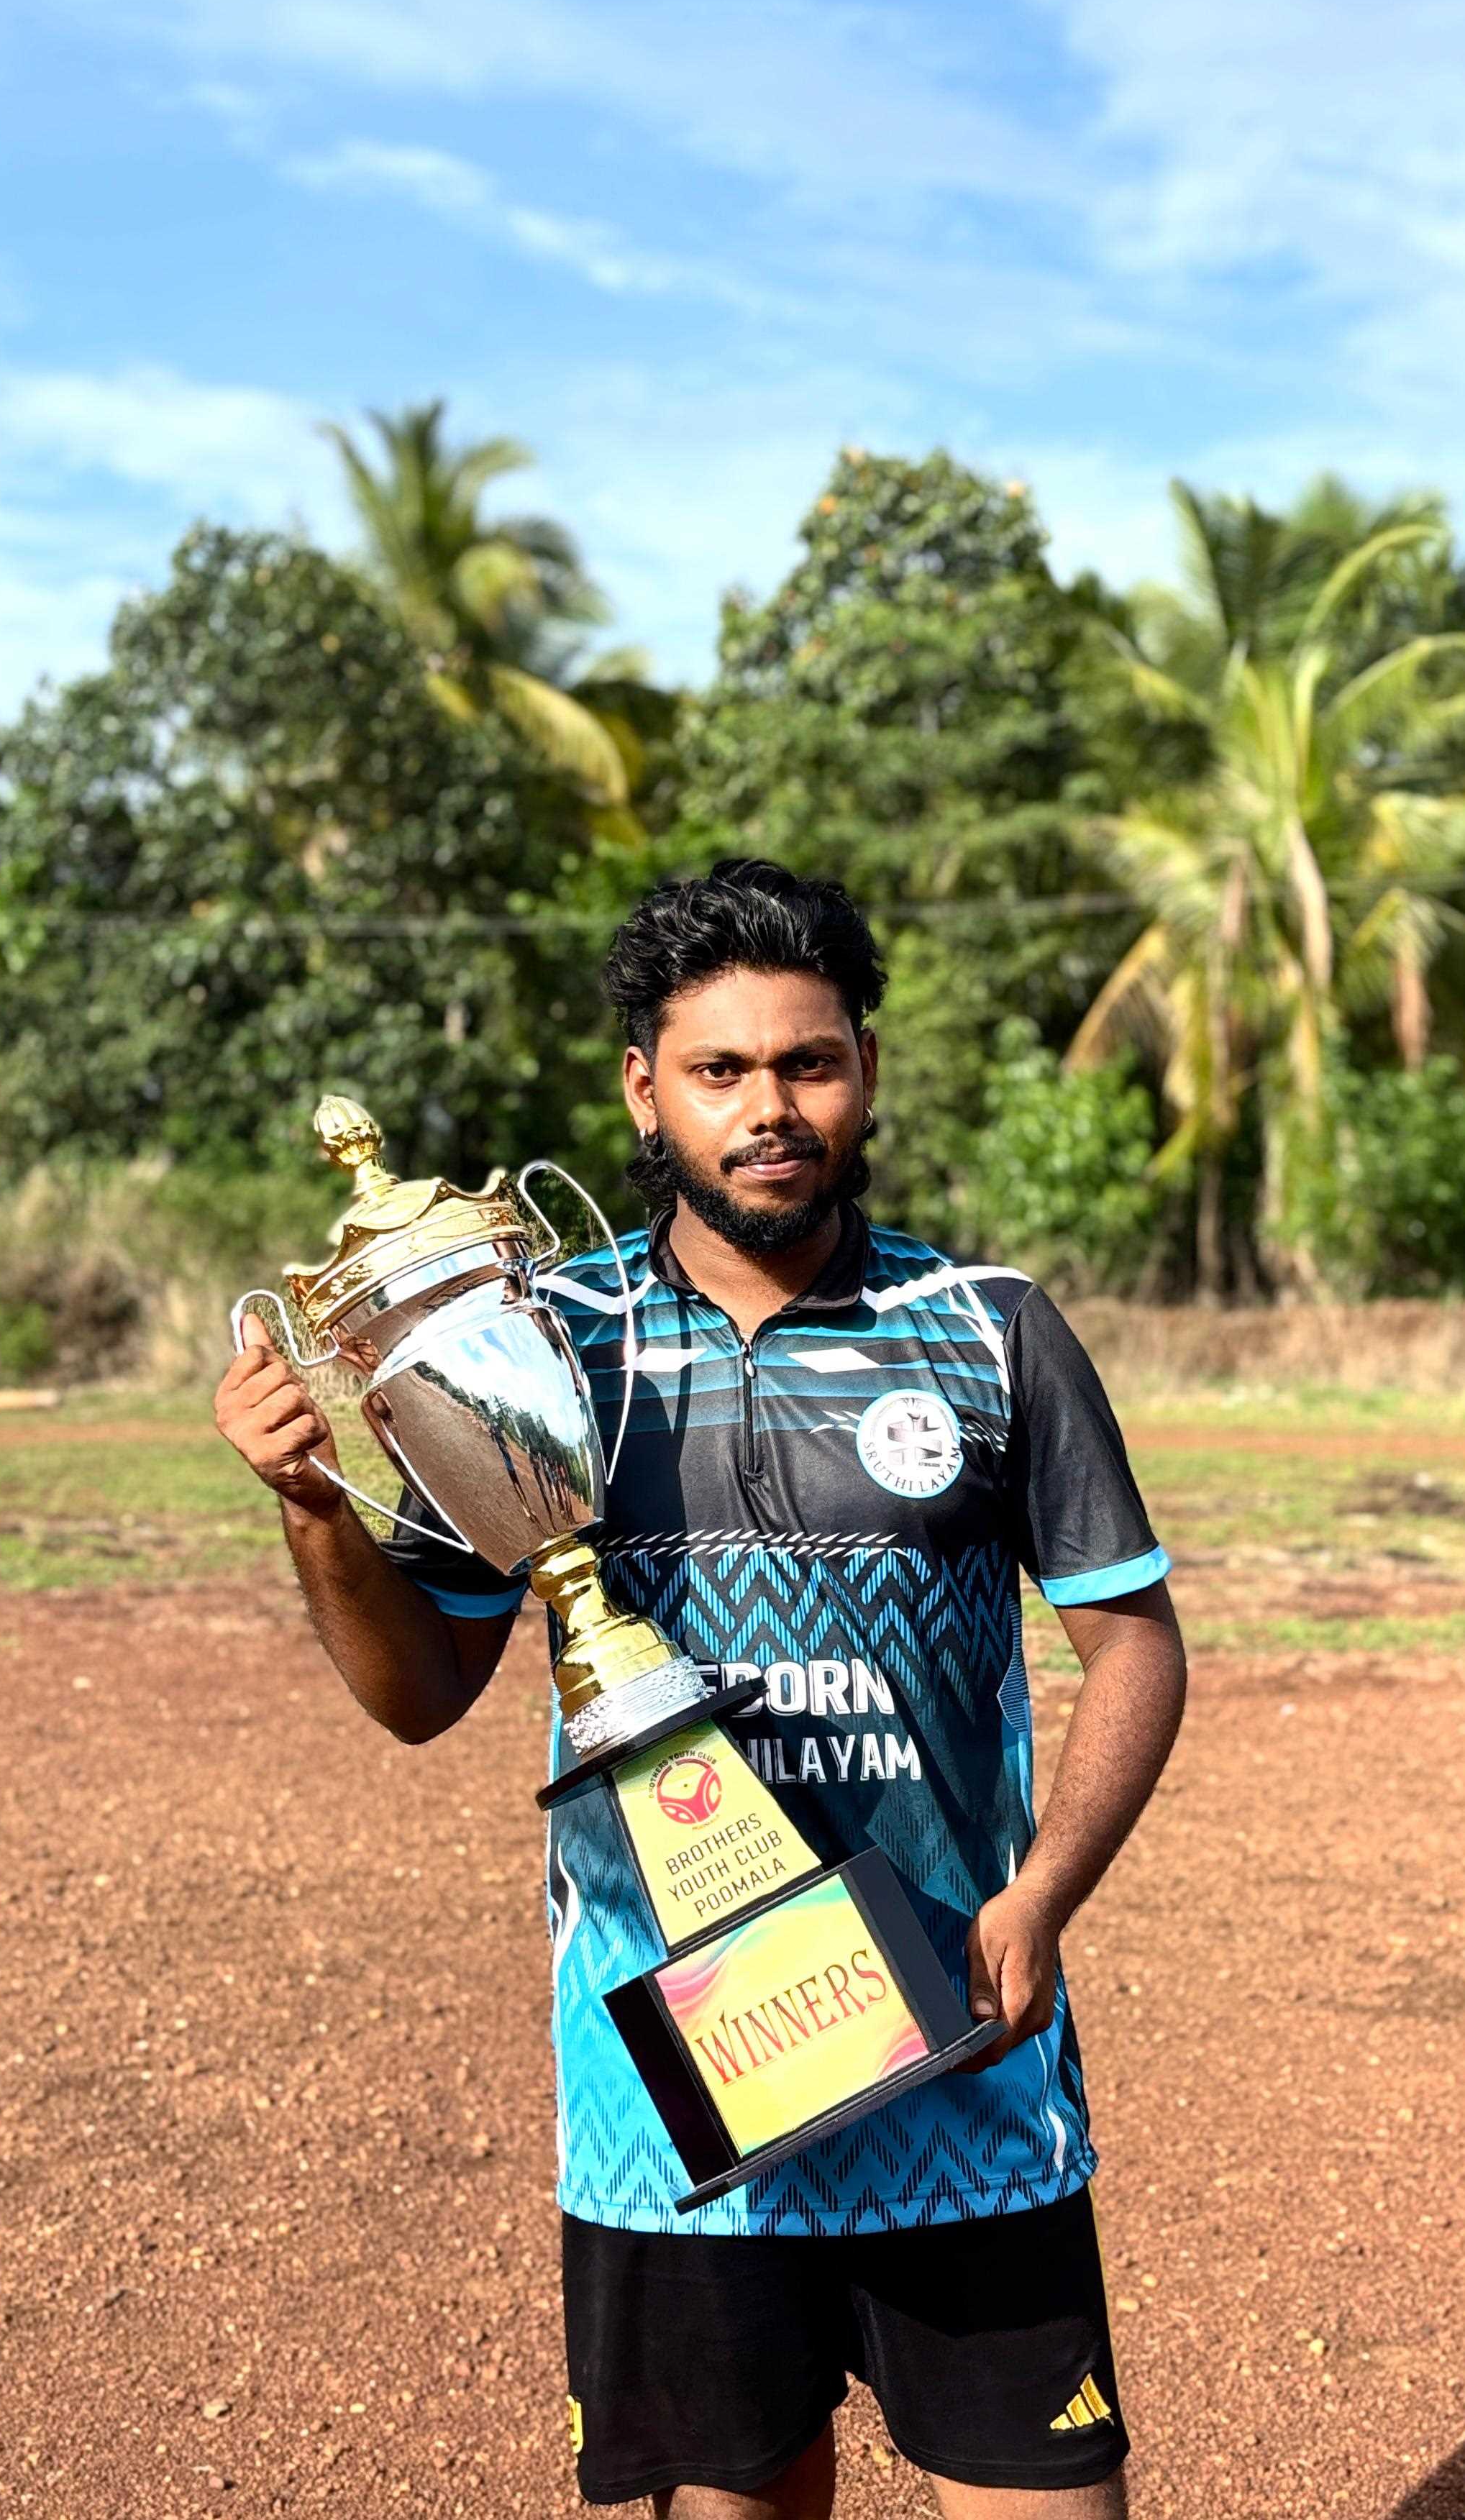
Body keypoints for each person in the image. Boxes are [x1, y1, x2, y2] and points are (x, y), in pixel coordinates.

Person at [214, 858, 1187, 2520]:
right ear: (642, 1090)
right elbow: (420, 1691)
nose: (769, 1108)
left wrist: (1043, 1895)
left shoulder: (987, 1328)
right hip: (675, 2108)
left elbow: (1134, 1641)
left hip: (961, 2054)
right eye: (720, 1069)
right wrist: (312, 1507)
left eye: (808, 1062)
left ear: (864, 1070)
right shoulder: (528, 1341)